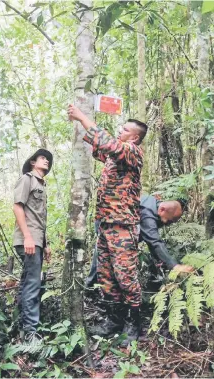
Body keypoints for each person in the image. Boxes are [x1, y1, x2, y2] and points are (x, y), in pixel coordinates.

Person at [68, 104, 148, 347]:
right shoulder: (115, 156)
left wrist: (83, 117)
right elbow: (100, 149)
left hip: (123, 225)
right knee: (107, 275)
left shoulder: (133, 152)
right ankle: (113, 319)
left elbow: (110, 144)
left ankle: (134, 322)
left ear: (134, 137)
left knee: (125, 276)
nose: (120, 130)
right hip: (105, 224)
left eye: (124, 129)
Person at [86, 195, 194, 289]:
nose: (167, 224)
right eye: (169, 220)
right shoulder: (147, 213)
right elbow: (154, 242)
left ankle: (96, 288)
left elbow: (151, 241)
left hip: (114, 226)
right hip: (110, 227)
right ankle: (92, 290)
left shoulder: (152, 204)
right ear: (162, 209)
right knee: (106, 260)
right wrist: (175, 266)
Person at [13, 148, 53, 344]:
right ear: (32, 162)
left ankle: (20, 324)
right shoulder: (27, 179)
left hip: (36, 241)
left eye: (48, 159)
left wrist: (45, 244)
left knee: (28, 281)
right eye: (43, 158)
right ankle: (30, 333)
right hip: (27, 240)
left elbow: (39, 218)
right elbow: (17, 206)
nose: (46, 161)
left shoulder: (42, 185)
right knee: (33, 284)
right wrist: (28, 237)